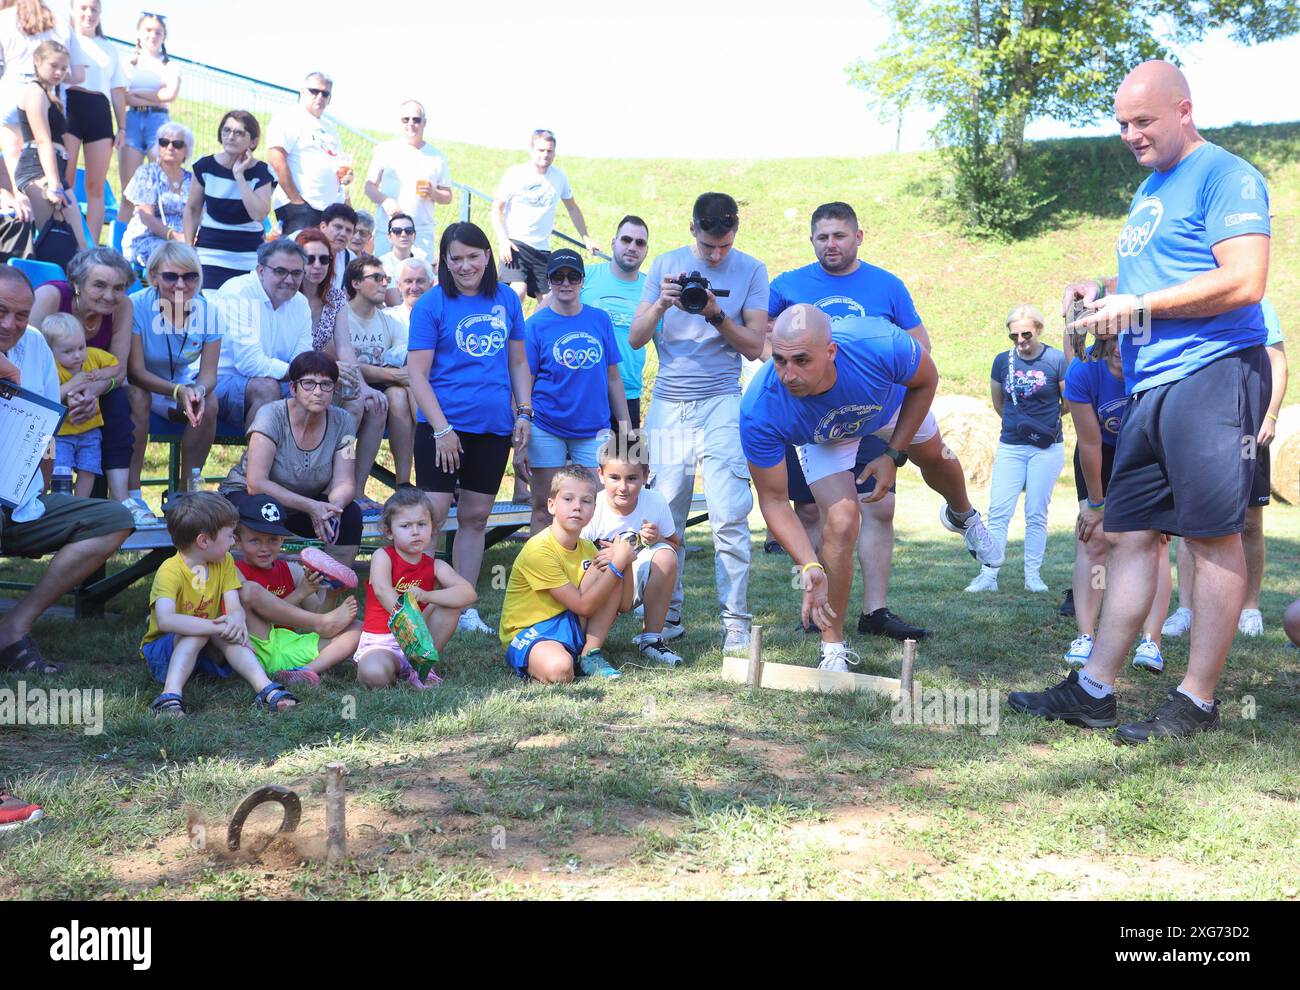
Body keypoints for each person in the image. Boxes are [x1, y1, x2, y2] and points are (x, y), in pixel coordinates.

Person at [1009, 60, 1272, 743]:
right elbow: (1156, 282)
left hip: (1213, 374)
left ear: (1185, 110)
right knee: (1127, 535)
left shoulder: (1227, 175)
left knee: (1211, 537)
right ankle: (1094, 690)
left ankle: (1198, 699)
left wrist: (1140, 304)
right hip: (1150, 384)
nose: (1130, 135)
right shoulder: (1153, 188)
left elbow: (1244, 280)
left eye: (1144, 121)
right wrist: (1098, 292)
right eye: (1122, 123)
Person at [743, 305, 998, 669]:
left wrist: (894, 454)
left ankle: (963, 516)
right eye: (781, 361)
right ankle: (832, 648)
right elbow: (774, 501)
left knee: (938, 458)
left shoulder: (876, 343)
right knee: (843, 520)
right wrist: (808, 564)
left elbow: (927, 379)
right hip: (825, 436)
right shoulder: (759, 407)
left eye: (802, 360)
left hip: (887, 408)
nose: (789, 374)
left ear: (831, 352)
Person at [766, 200, 931, 640]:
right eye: (822, 236)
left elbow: (920, 345)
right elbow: (766, 341)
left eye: (839, 235)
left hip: (869, 404)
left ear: (859, 236)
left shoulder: (887, 285)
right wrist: (796, 376)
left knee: (879, 504)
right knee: (811, 511)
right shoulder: (787, 284)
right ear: (812, 240)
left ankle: (874, 611)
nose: (831, 244)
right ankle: (819, 605)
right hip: (810, 409)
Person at [628, 192, 768, 651]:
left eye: (725, 246)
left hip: (723, 400)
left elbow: (753, 346)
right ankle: (665, 617)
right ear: (692, 230)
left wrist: (715, 313)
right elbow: (634, 339)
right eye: (709, 246)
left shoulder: (751, 269)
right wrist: (661, 304)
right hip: (670, 404)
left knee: (730, 513)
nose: (715, 255)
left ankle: (736, 621)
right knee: (667, 516)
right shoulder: (665, 264)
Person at [0, 265, 133, 676]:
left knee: (113, 518)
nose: (11, 324)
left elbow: (42, 429)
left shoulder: (36, 344)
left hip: (19, 497)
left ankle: (13, 629)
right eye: (1, 311)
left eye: (21, 315)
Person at [406, 221, 532, 635]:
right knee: (432, 516)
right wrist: (442, 429)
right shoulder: (431, 304)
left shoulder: (507, 302)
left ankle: (462, 606)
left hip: (493, 427)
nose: (465, 265)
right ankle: (413, 602)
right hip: (442, 427)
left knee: (476, 517)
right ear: (444, 260)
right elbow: (417, 374)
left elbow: (517, 362)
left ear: (487, 257)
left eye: (473, 256)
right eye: (455, 258)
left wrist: (524, 412)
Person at [1163, 297, 1287, 640]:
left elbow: (1277, 362)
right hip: (1201, 425)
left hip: (1250, 426)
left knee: (1249, 522)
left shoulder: (1261, 306)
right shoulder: (1193, 300)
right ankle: (1185, 609)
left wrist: (1272, 414)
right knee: (1190, 521)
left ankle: (1250, 609)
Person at [1063, 335, 1172, 673]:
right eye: (1109, 338)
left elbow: (1168, 434)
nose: (1117, 347)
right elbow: (1090, 443)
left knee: (1155, 543)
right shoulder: (1083, 371)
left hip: (1151, 452)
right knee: (1093, 539)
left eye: (1125, 337)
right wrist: (1095, 505)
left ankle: (1151, 641)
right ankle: (1086, 636)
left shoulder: (1160, 367)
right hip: (1103, 454)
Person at [140, 491, 299, 716]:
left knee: (226, 631)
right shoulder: (170, 570)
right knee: (197, 632)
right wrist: (218, 627)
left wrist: (236, 620)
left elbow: (233, 605)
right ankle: (170, 696)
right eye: (229, 535)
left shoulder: (224, 562)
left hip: (207, 648)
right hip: (163, 652)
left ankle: (265, 688)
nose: (234, 540)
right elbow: (166, 620)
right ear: (203, 541)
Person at [524, 249, 628, 532]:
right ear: (549, 281)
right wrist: (520, 423)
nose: (566, 283)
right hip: (547, 425)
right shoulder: (535, 325)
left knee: (594, 508)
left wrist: (626, 428)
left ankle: (593, 574)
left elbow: (613, 377)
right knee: (545, 508)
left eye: (573, 276)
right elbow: (525, 381)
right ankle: (541, 574)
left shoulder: (599, 319)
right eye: (558, 277)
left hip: (593, 427)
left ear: (582, 281)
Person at [218, 350, 363, 553]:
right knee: (265, 510)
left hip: (303, 505)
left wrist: (334, 507)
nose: (318, 391)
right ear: (293, 388)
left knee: (351, 513)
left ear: (334, 389)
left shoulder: (343, 421)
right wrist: (311, 506)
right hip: (249, 496)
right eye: (309, 383)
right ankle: (266, 579)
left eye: (326, 384)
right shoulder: (271, 415)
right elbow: (256, 484)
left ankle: (334, 580)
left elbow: (345, 482)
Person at [965, 305, 1067, 593]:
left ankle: (1032, 575)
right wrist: (1019, 425)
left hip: (1047, 447)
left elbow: (1068, 403)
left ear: (1039, 330)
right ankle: (989, 575)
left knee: (1036, 511)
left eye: (1026, 334)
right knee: (998, 511)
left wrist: (1041, 426)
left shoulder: (1056, 359)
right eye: (1014, 336)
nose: (1020, 341)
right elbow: (999, 403)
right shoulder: (1002, 361)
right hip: (1011, 443)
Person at [499, 465, 632, 682]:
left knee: (606, 566)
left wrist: (624, 562)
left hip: (570, 623)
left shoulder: (589, 548)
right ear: (551, 505)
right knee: (560, 670)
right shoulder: (539, 549)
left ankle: (589, 654)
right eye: (568, 499)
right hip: (531, 632)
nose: (577, 507)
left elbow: (625, 605)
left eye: (586, 501)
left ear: (594, 508)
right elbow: (582, 606)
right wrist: (618, 564)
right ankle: (558, 660)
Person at [27, 245, 137, 509]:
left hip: (93, 391)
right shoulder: (51, 297)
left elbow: (119, 369)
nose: (110, 296)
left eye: (119, 288)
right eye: (99, 285)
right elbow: (26, 359)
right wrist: (66, 393)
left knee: (124, 400)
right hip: (43, 389)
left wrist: (91, 393)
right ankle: (38, 498)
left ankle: (124, 500)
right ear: (77, 283)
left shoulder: (123, 307)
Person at [230, 493, 362, 687]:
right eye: (255, 540)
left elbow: (320, 621)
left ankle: (306, 671)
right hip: (258, 649)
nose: (265, 548)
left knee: (358, 628)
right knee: (251, 590)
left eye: (273, 540)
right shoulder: (235, 572)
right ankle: (318, 637)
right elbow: (263, 617)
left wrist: (331, 595)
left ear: (282, 540)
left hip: (291, 646)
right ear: (237, 541)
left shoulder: (292, 570)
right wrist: (301, 593)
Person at [125, 241, 220, 498]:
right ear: (154, 276)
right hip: (141, 385)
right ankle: (132, 495)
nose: (181, 284)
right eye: (171, 276)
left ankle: (187, 493)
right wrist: (178, 390)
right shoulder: (135, 306)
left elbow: (209, 374)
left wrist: (196, 390)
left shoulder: (209, 310)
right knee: (138, 397)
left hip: (179, 386)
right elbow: (135, 371)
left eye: (190, 276)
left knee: (207, 403)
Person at [355, 488, 476, 689]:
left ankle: (423, 667)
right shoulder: (382, 556)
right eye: (405, 526)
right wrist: (410, 628)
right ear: (389, 531)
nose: (415, 531)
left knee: (450, 603)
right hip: (382, 643)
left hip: (421, 643)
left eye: (422, 524)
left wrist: (428, 595)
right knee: (374, 674)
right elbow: (382, 591)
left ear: (432, 527)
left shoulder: (435, 565)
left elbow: (468, 593)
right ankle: (401, 668)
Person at [581, 434, 684, 667]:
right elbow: (571, 557)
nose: (623, 487)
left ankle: (651, 639)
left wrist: (657, 538)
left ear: (646, 476)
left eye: (632, 478)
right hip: (596, 583)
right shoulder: (591, 506)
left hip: (633, 581)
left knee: (666, 556)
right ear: (601, 475)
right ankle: (584, 641)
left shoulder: (655, 501)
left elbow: (675, 545)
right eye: (614, 478)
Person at [212, 237, 314, 430]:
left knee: (324, 390)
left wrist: (314, 378)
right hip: (218, 381)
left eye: (296, 273)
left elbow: (302, 357)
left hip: (275, 380)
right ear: (260, 271)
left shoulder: (300, 302)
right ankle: (254, 460)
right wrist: (305, 374)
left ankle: (313, 461)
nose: (289, 280)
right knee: (266, 389)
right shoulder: (237, 293)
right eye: (280, 271)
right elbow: (249, 363)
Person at [491, 129, 599, 302]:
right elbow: (497, 208)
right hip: (516, 245)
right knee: (518, 290)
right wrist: (503, 240)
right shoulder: (516, 174)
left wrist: (586, 238)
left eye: (549, 151)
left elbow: (572, 208)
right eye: (541, 150)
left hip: (542, 248)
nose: (545, 155)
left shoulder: (559, 177)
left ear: (554, 152)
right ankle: (508, 328)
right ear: (532, 150)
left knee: (549, 299)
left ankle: (529, 329)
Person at [0, 0, 78, 216]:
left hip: (10, 91)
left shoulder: (4, 17)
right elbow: (76, 73)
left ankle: (24, 222)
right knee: (42, 158)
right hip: (46, 95)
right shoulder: (60, 22)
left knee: (17, 168)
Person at [344, 253, 414, 489]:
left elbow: (405, 361)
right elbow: (346, 364)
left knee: (391, 396)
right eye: (376, 277)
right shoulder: (339, 316)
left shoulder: (389, 320)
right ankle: (343, 485)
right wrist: (391, 374)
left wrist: (393, 375)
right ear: (356, 283)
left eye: (386, 278)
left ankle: (402, 483)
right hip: (341, 389)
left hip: (377, 392)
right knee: (373, 399)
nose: (385, 283)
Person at [184, 109, 275, 290]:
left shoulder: (262, 172)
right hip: (209, 252)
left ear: (254, 141)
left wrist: (239, 176)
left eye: (239, 132)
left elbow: (259, 213)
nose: (231, 136)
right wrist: (188, 249)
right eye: (226, 130)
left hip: (248, 256)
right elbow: (192, 209)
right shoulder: (205, 166)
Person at [580, 215, 653, 429]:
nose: (632, 247)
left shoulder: (652, 290)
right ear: (613, 243)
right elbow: (542, 317)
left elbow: (666, 346)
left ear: (646, 250)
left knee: (628, 460)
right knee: (577, 462)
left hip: (628, 393)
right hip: (582, 390)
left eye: (640, 243)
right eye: (626, 240)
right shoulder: (585, 276)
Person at [63, 0, 125, 245]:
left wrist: (122, 126)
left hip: (99, 112)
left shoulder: (109, 48)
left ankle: (89, 247)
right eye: (83, 8)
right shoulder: (64, 38)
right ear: (72, 9)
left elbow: (118, 90)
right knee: (63, 182)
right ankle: (63, 239)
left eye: (94, 9)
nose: (89, 14)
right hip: (69, 108)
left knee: (95, 187)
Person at [14, 39, 82, 244]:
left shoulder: (49, 95)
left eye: (63, 68)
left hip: (54, 173)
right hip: (39, 171)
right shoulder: (34, 91)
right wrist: (54, 185)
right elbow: (43, 141)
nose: (59, 73)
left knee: (78, 244)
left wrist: (57, 181)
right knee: (54, 242)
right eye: (53, 66)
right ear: (37, 60)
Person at [364, 99, 451, 259]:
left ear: (424, 123)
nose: (411, 124)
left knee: (420, 281)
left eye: (416, 120)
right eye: (406, 119)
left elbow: (447, 197)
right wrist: (384, 200)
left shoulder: (437, 156)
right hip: (389, 231)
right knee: (386, 280)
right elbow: (369, 187)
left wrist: (433, 192)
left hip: (421, 233)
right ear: (400, 122)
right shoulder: (385, 150)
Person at [117, 11, 180, 230]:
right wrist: (154, 94)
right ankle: (119, 245)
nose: (153, 35)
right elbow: (123, 95)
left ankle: (158, 237)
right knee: (129, 190)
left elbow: (169, 95)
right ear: (139, 33)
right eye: (148, 30)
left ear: (164, 36)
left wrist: (137, 94)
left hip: (158, 123)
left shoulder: (170, 66)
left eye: (158, 32)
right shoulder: (128, 63)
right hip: (132, 122)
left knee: (160, 186)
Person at [41, 311, 115, 496]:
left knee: (88, 470)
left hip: (90, 431)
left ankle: (80, 505)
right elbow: (50, 397)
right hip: (61, 434)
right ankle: (62, 504)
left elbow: (116, 366)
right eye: (68, 351)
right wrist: (73, 384)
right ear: (50, 351)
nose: (77, 355)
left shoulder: (91, 357)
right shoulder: (52, 369)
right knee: (60, 470)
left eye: (81, 347)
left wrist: (101, 376)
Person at [267, 72, 347, 236]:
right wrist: (295, 200)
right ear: (302, 92)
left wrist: (346, 175)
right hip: (300, 207)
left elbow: (336, 165)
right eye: (314, 91)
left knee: (322, 260)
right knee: (300, 258)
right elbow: (276, 157)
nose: (319, 97)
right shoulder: (288, 118)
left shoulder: (331, 129)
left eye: (325, 93)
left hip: (327, 211)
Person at [119, 120, 192, 270]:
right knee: (175, 258)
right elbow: (146, 217)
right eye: (164, 142)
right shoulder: (147, 173)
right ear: (158, 147)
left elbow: (199, 214)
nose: (170, 147)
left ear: (186, 150)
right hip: (147, 238)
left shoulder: (192, 180)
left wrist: (192, 237)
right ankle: (172, 294)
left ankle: (194, 293)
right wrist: (175, 237)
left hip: (185, 241)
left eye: (177, 144)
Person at [377, 211, 422, 304]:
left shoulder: (422, 262)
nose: (403, 234)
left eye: (408, 230)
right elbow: (394, 303)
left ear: (414, 235)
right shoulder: (383, 264)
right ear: (389, 236)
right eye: (397, 231)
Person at [384, 255, 431, 333]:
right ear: (398, 286)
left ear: (430, 284)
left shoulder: (442, 316)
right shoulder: (388, 318)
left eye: (420, 281)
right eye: (408, 281)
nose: (414, 288)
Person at [319, 202, 358, 292]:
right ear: (323, 226)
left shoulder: (351, 259)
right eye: (338, 227)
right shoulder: (302, 245)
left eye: (348, 230)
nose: (343, 234)